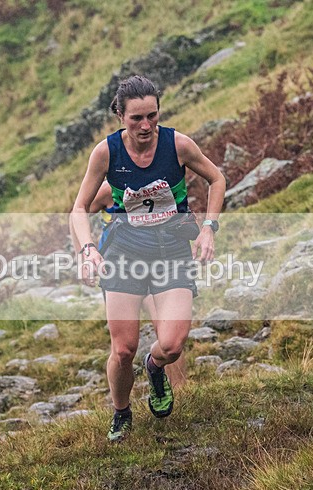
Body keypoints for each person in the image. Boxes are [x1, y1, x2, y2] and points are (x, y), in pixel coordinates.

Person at [70, 75, 225, 442]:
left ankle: (154, 369)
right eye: (136, 118)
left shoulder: (179, 145)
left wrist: (208, 228)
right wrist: (87, 249)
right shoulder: (106, 153)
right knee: (123, 349)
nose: (145, 125)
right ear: (120, 115)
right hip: (126, 252)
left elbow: (217, 179)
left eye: (152, 116)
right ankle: (122, 413)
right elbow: (78, 208)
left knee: (171, 345)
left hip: (172, 250)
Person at [69, 180, 189, 389]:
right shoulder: (108, 188)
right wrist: (83, 257)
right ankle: (123, 406)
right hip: (120, 271)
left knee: (167, 333)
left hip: (154, 266)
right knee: (123, 348)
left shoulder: (160, 180)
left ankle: (180, 392)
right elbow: (76, 213)